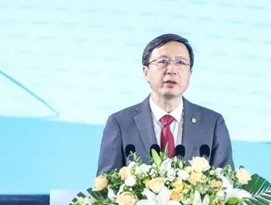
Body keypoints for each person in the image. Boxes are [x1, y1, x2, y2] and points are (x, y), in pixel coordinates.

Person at [96, 33, 234, 175]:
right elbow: (105, 183)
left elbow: (225, 182)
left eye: (181, 63)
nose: (172, 70)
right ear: (146, 72)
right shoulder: (120, 123)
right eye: (163, 61)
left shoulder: (212, 124)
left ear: (190, 73)